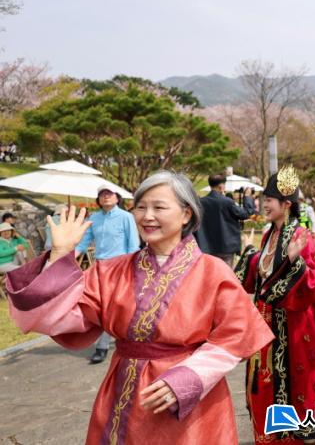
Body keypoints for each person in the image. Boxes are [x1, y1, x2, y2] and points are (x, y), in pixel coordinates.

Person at [5, 171, 273, 444]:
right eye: (141, 207)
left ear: (186, 214)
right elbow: (57, 318)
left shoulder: (213, 271)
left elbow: (237, 336)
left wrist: (188, 379)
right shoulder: (110, 271)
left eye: (159, 207)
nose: (147, 216)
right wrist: (59, 256)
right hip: (121, 392)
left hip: (189, 405)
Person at [235, 166, 315, 445]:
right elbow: (260, 275)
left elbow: (312, 284)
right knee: (263, 385)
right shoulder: (269, 234)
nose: (263, 204)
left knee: (293, 388)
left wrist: (294, 261)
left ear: (286, 204)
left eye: (269, 200)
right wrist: (250, 254)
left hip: (292, 328)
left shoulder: (301, 236)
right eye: (263, 199)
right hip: (265, 326)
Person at [76, 186, 140, 364]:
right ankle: (109, 341)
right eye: (102, 194)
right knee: (101, 306)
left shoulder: (126, 217)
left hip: (120, 266)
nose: (106, 197)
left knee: (115, 306)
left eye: (109, 194)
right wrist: (67, 257)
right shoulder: (93, 218)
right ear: (98, 199)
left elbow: (133, 246)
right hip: (99, 268)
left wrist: (131, 269)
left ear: (117, 198)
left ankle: (104, 345)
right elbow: (83, 243)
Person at [195, 174, 254, 267]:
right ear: (221, 186)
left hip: (207, 247)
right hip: (226, 247)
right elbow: (245, 213)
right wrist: (247, 196)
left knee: (211, 273)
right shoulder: (227, 202)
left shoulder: (200, 202)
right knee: (226, 273)